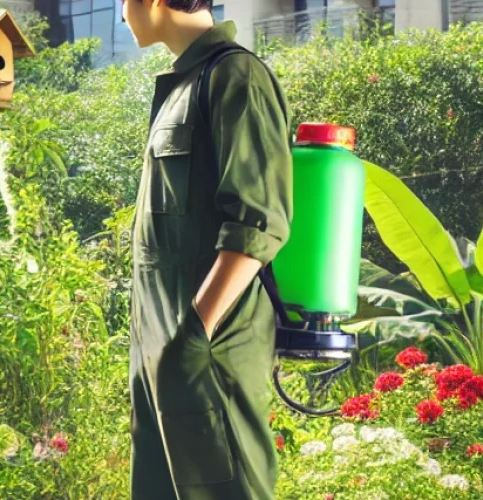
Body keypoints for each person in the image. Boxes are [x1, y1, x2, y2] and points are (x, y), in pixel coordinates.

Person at [120, 0, 294, 498]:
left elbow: (257, 221)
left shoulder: (236, 75)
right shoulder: (182, 85)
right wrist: (164, 351)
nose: (121, 13)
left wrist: (195, 331)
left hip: (208, 349)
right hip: (162, 351)